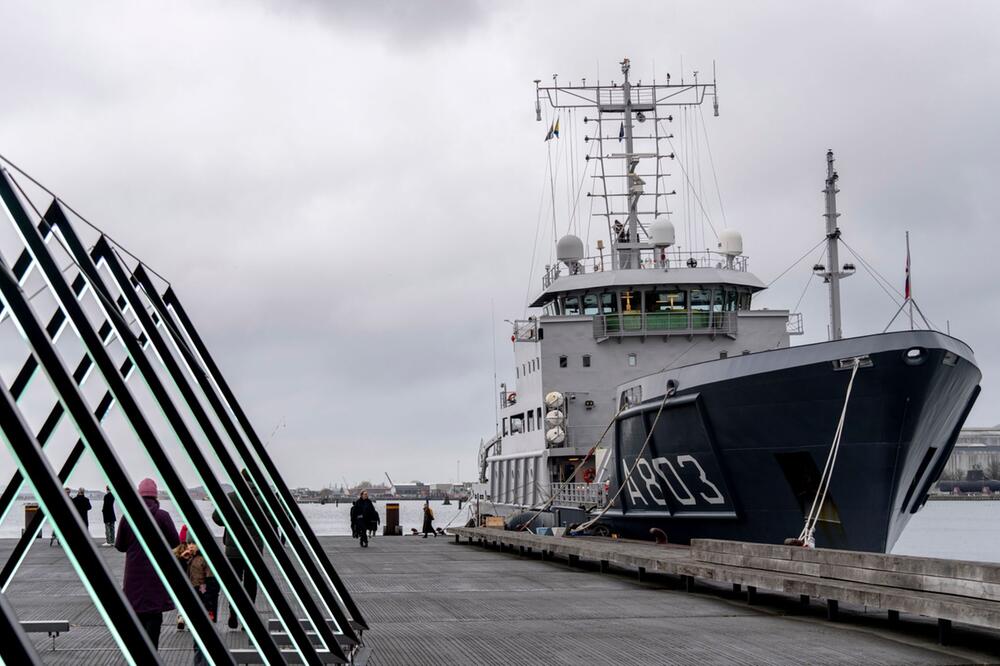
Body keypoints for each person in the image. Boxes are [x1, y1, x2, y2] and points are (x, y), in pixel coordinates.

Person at [116, 478, 179, 650]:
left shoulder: (128, 516)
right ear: (155, 496)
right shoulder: (163, 516)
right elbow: (175, 542)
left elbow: (120, 546)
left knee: (136, 616)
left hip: (134, 576)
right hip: (155, 575)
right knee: (154, 615)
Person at [211, 476, 267, 630]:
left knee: (234, 582)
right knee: (250, 583)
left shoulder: (230, 498)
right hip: (254, 549)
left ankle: (233, 612)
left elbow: (216, 517)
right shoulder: (261, 501)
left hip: (233, 549)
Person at [173, 529, 219, 665]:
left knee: (203, 640)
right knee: (197, 639)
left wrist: (203, 593)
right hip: (195, 601)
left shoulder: (205, 560)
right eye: (189, 543)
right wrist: (182, 559)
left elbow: (211, 584)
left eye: (194, 543)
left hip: (205, 602)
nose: (191, 546)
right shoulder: (189, 559)